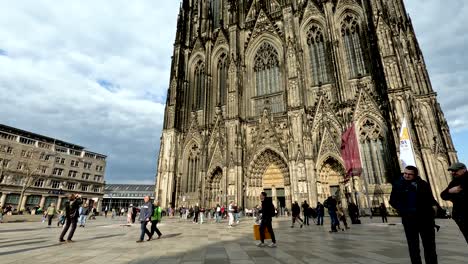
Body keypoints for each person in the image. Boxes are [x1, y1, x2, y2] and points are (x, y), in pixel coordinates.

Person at [390, 165, 438, 264]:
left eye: (410, 174)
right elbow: (392, 201)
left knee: (429, 247)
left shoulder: (423, 184)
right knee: (413, 247)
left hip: (425, 220)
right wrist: (403, 210)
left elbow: (430, 199)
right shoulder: (398, 184)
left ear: (415, 175)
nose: (406, 176)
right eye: (405, 173)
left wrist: (433, 210)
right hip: (409, 220)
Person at [441, 162, 468, 243]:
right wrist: (450, 191)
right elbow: (443, 195)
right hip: (460, 216)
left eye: (455, 170)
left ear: (464, 170)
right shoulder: (454, 182)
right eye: (451, 171)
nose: (453, 172)